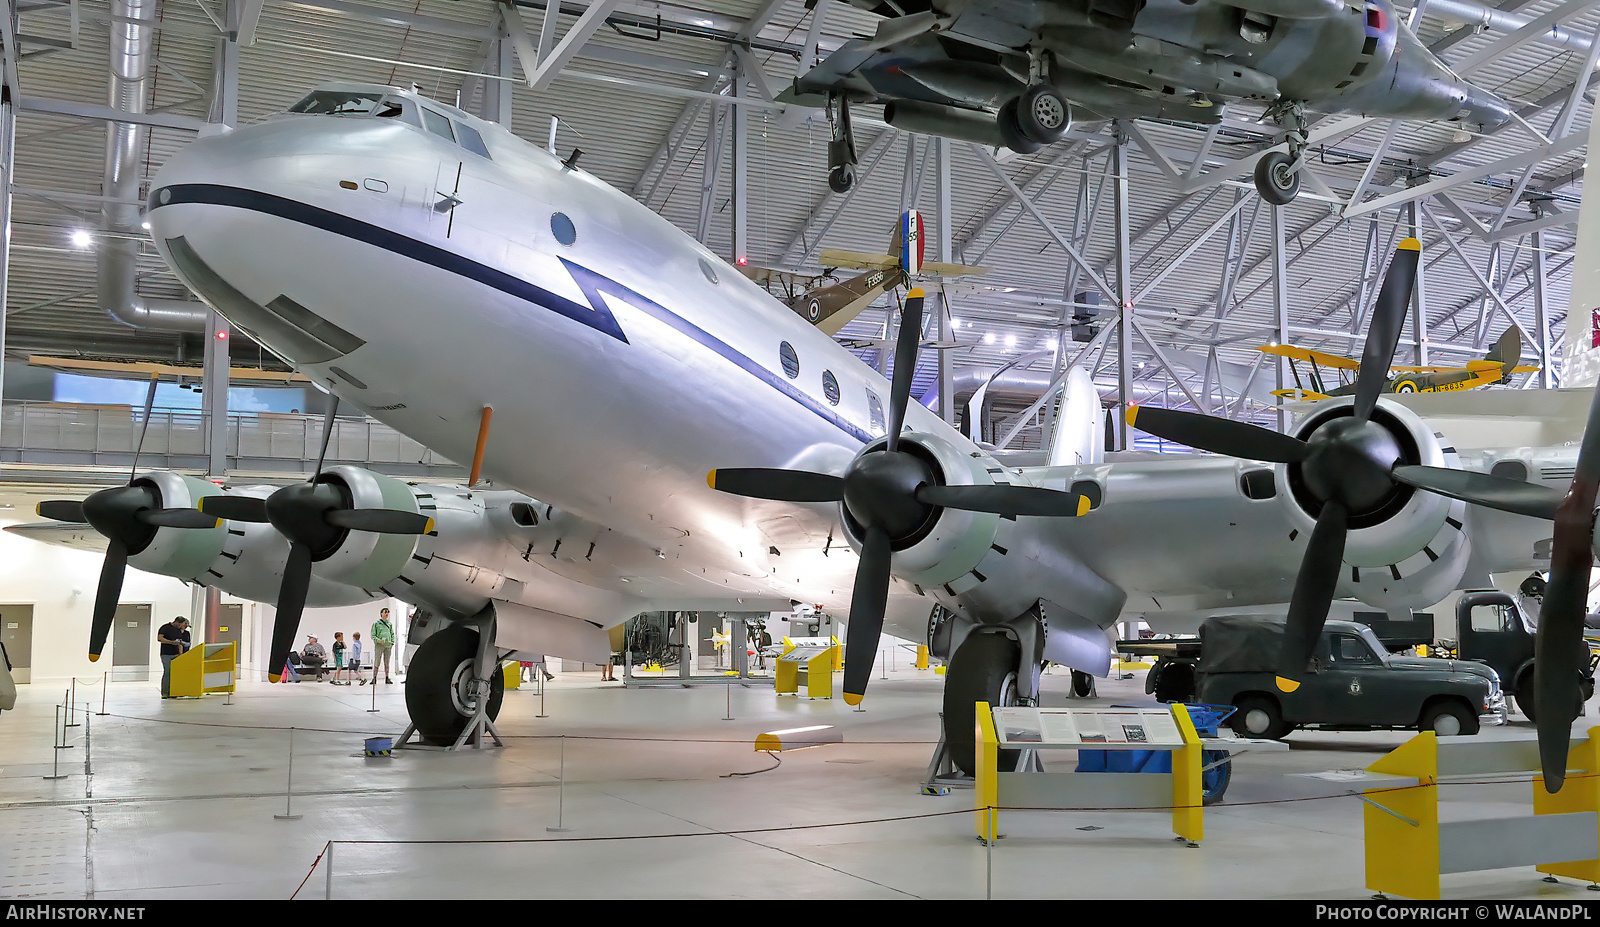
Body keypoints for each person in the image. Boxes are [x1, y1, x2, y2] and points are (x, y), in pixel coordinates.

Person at [156, 617, 191, 698]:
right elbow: (159, 638)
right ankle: (165, 692)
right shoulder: (165, 628)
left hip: (176, 654)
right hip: (166, 653)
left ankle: (174, 692)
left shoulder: (178, 631)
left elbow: (180, 643)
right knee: (167, 672)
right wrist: (171, 642)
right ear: (175, 622)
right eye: (179, 624)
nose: (180, 626)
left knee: (176, 673)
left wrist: (180, 654)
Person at [371, 608, 396, 685]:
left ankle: (387, 677)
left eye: (388, 612)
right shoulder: (376, 624)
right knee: (377, 661)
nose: (387, 614)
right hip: (379, 645)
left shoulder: (389, 624)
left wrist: (392, 642)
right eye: (385, 612)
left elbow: (392, 634)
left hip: (388, 645)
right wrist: (378, 640)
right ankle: (374, 677)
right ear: (381, 613)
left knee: (387, 662)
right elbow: (373, 635)